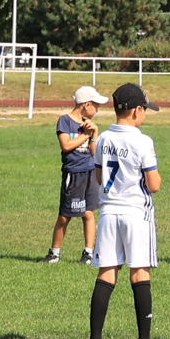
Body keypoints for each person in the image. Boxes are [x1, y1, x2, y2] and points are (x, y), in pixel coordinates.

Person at [87, 82, 162, 339]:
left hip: (108, 212)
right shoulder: (143, 141)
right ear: (136, 111)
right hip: (136, 212)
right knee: (139, 272)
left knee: (107, 273)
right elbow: (153, 185)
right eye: (145, 110)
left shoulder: (105, 138)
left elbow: (99, 177)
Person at [46, 86, 108, 264]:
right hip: (73, 174)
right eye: (96, 106)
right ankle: (54, 253)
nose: (97, 110)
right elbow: (66, 145)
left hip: (90, 173)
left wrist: (94, 133)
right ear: (86, 104)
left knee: (88, 213)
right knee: (65, 215)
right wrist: (86, 135)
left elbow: (94, 152)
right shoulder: (65, 121)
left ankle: (88, 253)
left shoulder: (89, 124)